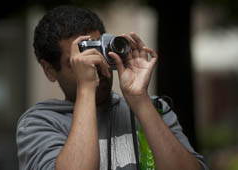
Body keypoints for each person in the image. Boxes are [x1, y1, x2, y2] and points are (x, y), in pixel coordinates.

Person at [16, 5, 209, 170]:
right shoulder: (38, 123)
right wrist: (87, 89)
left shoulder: (154, 109)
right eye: (78, 62)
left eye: (98, 52)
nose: (96, 65)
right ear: (49, 70)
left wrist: (139, 99)